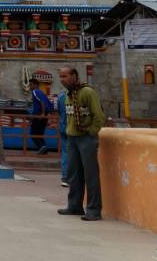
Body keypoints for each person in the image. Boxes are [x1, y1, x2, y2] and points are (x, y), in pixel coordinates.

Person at [58, 66, 105, 221]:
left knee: (90, 174)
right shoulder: (67, 95)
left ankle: (93, 209)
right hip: (72, 138)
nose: (62, 79)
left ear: (74, 76)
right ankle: (74, 205)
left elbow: (98, 115)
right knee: (74, 174)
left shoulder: (87, 92)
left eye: (65, 76)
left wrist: (91, 131)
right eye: (60, 76)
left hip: (86, 138)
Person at [28, 78, 54, 155]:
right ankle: (44, 149)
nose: (30, 86)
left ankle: (42, 146)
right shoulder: (42, 92)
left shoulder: (35, 91)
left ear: (35, 85)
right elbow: (48, 103)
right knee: (40, 134)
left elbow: (41, 102)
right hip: (44, 115)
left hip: (39, 115)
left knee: (33, 133)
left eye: (31, 85)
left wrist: (42, 113)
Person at [57, 88, 70, 187]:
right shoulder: (75, 94)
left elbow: (59, 111)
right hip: (72, 128)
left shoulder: (61, 96)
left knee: (65, 153)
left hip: (63, 126)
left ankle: (65, 177)